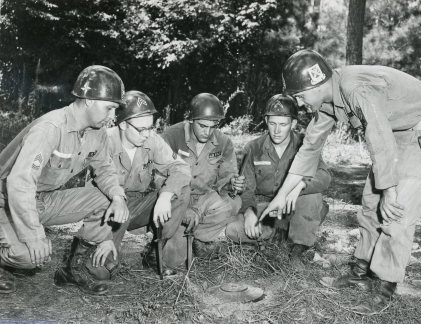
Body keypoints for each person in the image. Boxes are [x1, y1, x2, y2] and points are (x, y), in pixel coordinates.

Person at [260, 49, 421, 311]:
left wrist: (390, 189)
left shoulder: (354, 87)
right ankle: (361, 272)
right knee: (371, 204)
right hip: (396, 131)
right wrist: (282, 194)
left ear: (317, 83)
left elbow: (378, 135)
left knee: (396, 211)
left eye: (299, 96)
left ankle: (385, 287)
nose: (299, 104)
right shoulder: (325, 100)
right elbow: (310, 147)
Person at [0, 65, 130, 295]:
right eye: (110, 108)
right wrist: (34, 236)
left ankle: (74, 270)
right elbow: (19, 184)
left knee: (105, 199)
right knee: (29, 256)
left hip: (41, 200)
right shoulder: (51, 128)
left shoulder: (96, 132)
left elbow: (106, 170)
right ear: (89, 100)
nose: (113, 117)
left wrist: (118, 197)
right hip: (5, 201)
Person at [84, 90, 191, 278]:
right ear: (123, 124)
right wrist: (105, 237)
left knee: (181, 191)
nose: (148, 134)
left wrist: (165, 196)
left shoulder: (151, 140)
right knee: (100, 272)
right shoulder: (104, 141)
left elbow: (181, 169)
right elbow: (89, 196)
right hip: (109, 209)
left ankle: (155, 250)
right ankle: (93, 248)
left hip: (139, 205)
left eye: (151, 127)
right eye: (142, 129)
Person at [225, 94, 331, 265]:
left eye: (283, 124)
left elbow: (324, 176)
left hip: (296, 206)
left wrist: (300, 186)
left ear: (293, 123)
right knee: (232, 230)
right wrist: (250, 214)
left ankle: (297, 248)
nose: (277, 130)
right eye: (273, 123)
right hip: (267, 209)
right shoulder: (253, 148)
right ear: (266, 120)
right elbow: (246, 188)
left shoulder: (305, 145)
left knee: (312, 196)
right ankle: (277, 234)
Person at [161, 93, 245, 267]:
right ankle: (164, 238)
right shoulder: (172, 136)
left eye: (213, 126)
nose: (207, 132)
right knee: (172, 263)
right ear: (191, 119)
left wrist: (231, 182)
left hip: (203, 198)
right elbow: (159, 178)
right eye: (202, 126)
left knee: (233, 203)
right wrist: (183, 209)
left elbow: (227, 175)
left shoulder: (223, 142)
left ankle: (197, 239)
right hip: (176, 199)